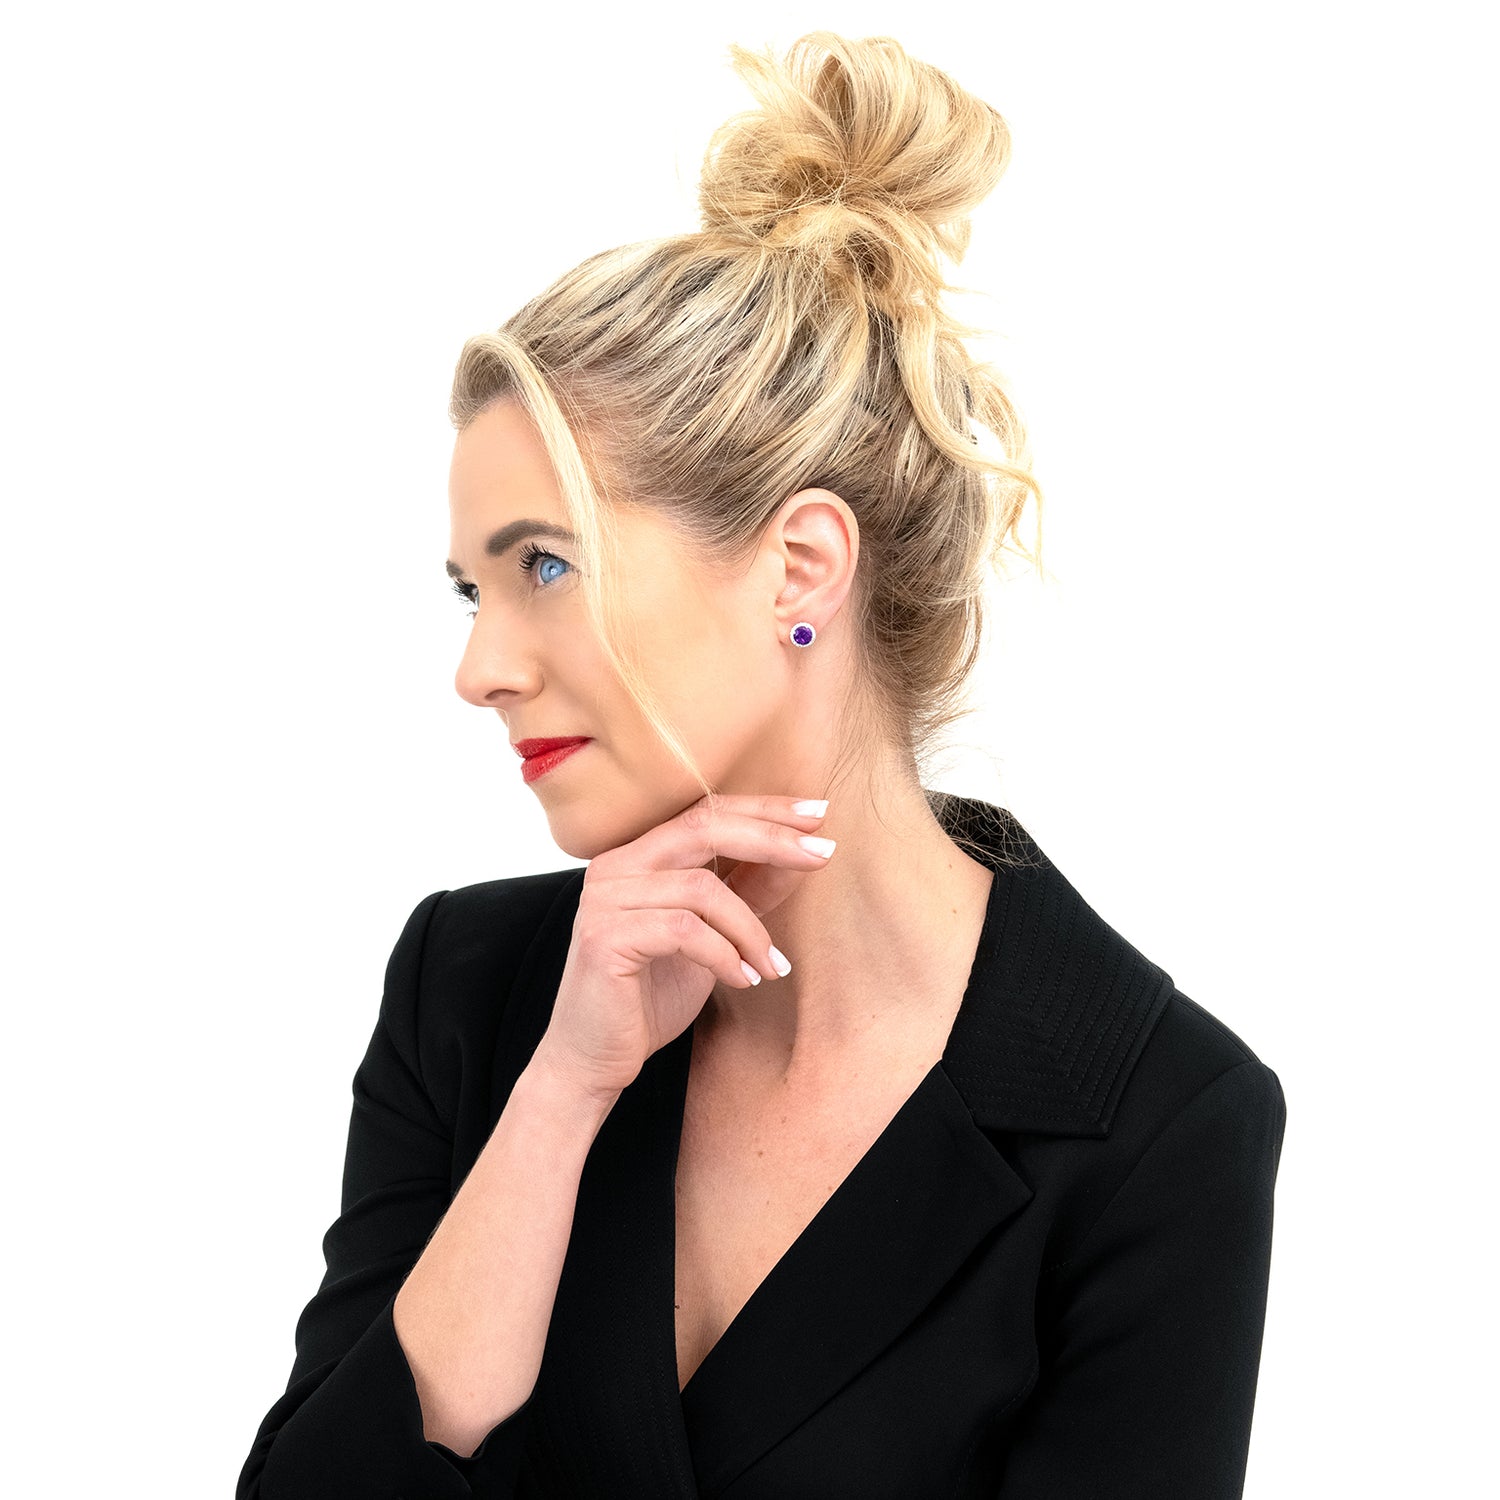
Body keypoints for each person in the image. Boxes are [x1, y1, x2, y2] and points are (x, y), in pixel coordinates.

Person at [237, 29, 1286, 1500]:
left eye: (547, 565)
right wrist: (561, 1096)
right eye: (474, 590)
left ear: (800, 566)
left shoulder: (1158, 1123)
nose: (479, 669)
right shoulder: (473, 997)